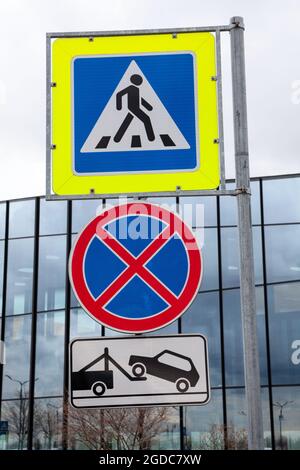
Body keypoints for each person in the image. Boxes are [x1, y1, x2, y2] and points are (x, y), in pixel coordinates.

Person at [114, 74, 155, 142]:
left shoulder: (136, 89)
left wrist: (148, 107)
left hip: (134, 108)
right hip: (133, 108)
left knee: (126, 122)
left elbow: (139, 99)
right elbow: (119, 94)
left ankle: (117, 138)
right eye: (139, 80)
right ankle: (151, 138)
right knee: (146, 119)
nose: (141, 81)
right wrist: (119, 106)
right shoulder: (130, 88)